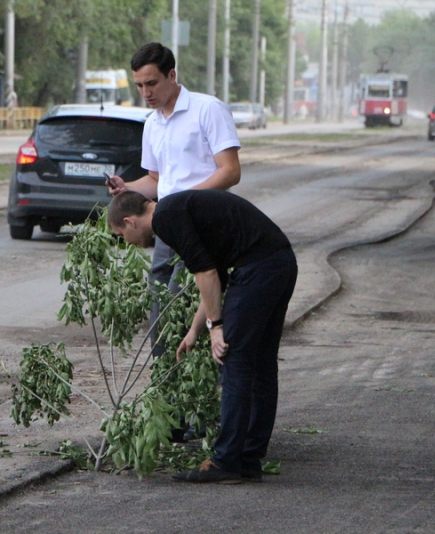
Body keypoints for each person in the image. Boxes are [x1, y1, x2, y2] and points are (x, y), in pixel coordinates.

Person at [108, 189, 298, 484]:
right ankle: (247, 459)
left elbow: (206, 274)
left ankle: (227, 461)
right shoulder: (177, 210)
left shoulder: (167, 218)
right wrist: (195, 330)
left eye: (121, 235)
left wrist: (216, 326)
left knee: (233, 360)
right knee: (260, 365)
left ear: (130, 221)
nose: (126, 242)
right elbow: (215, 275)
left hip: (259, 271)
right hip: (279, 264)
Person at [106, 42, 241, 441]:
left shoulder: (207, 109)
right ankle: (172, 417)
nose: (146, 92)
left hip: (202, 224)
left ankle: (206, 414)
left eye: (152, 83)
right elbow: (157, 181)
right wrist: (126, 186)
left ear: (172, 75)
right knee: (162, 318)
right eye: (139, 86)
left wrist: (187, 202)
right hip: (168, 227)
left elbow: (230, 171)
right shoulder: (152, 122)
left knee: (197, 312)